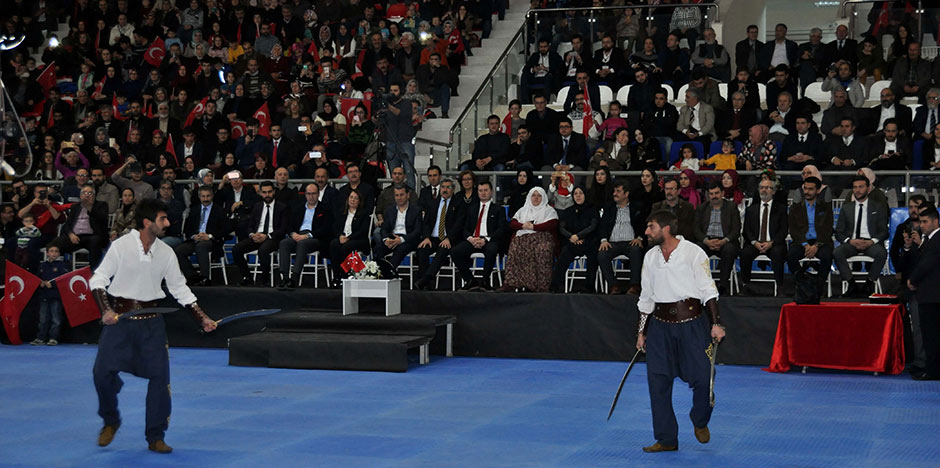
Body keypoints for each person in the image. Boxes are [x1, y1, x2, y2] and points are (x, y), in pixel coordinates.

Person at [91, 198, 217, 454]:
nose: (168, 223)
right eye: (163, 219)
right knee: (101, 374)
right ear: (147, 222)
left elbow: (178, 288)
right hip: (120, 322)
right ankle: (111, 420)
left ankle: (155, 436)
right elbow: (98, 279)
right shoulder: (121, 246)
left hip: (152, 324)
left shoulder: (166, 252)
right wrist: (106, 310)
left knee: (160, 380)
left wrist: (201, 317)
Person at [636, 210, 726, 453]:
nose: (646, 232)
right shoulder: (650, 257)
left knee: (704, 378)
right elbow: (646, 298)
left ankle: (700, 419)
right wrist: (641, 332)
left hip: (693, 325)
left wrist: (716, 323)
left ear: (666, 229)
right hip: (660, 327)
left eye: (650, 227)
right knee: (658, 382)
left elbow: (709, 290)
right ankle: (666, 438)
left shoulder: (693, 253)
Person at [832, 175, 890, 297]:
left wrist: (872, 241)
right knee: (837, 252)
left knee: (881, 253)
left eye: (861, 187)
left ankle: (869, 283)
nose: (857, 190)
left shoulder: (878, 207)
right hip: (852, 243)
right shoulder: (846, 208)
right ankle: (851, 283)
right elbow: (838, 232)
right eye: (855, 187)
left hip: (870, 243)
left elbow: (884, 231)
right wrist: (850, 241)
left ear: (868, 189)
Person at [500, 187, 558, 292]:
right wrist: (523, 225)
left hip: (542, 237)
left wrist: (534, 227)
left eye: (539, 196)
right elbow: (512, 223)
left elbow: (552, 223)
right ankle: (511, 283)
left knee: (543, 249)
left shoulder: (549, 210)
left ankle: (541, 286)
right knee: (515, 247)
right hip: (524, 236)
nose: (536, 198)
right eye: (533, 195)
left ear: (543, 197)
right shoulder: (523, 210)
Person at [452, 181, 507, 291]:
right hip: (473, 239)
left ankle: (485, 281)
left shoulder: (498, 209)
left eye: (485, 190)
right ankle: (470, 280)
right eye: (480, 190)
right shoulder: (472, 208)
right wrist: (470, 238)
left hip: (489, 240)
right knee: (455, 251)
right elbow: (465, 228)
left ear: (491, 192)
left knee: (492, 250)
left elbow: (502, 229)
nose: (483, 193)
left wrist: (485, 239)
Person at [906, 204, 940, 380]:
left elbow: (926, 265)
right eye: (921, 222)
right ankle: (933, 369)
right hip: (931, 293)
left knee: (931, 335)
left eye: (925, 222)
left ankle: (933, 371)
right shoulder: (931, 240)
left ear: (936, 221)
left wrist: (913, 280)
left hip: (932, 294)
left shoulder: (936, 240)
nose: (922, 225)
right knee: (932, 335)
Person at [232, 182, 289, 286]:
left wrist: (267, 236)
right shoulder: (257, 206)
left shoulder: (282, 207)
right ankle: (247, 277)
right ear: (260, 193)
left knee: (263, 250)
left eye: (269, 192)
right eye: (264, 192)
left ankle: (264, 280)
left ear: (274, 192)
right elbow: (250, 225)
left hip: (273, 238)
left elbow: (283, 229)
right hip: (257, 236)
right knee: (236, 249)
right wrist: (252, 234)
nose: (267, 195)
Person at [277, 183, 333, 289]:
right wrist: (293, 234)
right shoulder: (298, 207)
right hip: (298, 235)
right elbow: (289, 225)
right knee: (284, 243)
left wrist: (308, 235)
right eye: (309, 194)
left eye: (314, 194)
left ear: (318, 194)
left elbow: (326, 228)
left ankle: (294, 278)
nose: (311, 196)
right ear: (305, 195)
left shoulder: (325, 208)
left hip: (315, 237)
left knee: (303, 244)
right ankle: (285, 277)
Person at [740, 178, 788, 295]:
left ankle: (780, 285)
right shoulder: (751, 209)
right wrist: (754, 242)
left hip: (773, 243)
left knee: (778, 253)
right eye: (762, 188)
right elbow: (746, 230)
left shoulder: (781, 209)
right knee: (745, 253)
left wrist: (771, 243)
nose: (764, 190)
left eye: (768, 188)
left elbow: (783, 231)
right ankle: (745, 285)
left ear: (774, 191)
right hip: (755, 243)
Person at [415, 179, 464, 290]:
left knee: (443, 249)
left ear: (453, 189)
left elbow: (458, 225)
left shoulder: (458, 203)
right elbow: (426, 222)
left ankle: (426, 278)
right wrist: (426, 237)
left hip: (449, 238)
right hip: (433, 238)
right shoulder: (433, 203)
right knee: (422, 249)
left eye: (448, 187)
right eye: (443, 187)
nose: (445, 190)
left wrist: (449, 238)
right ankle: (425, 283)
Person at [597, 182, 645, 295]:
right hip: (612, 243)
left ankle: (634, 285)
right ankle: (613, 285)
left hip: (630, 242)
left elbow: (643, 224)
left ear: (626, 194)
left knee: (636, 250)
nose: (615, 194)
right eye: (614, 191)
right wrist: (603, 240)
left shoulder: (636, 207)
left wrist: (639, 238)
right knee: (602, 254)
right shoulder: (609, 208)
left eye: (618, 191)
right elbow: (602, 225)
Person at [786, 176, 834, 290]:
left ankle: (819, 285)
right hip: (801, 241)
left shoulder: (825, 207)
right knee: (790, 256)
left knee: (827, 256)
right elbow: (793, 230)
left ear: (817, 190)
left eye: (810, 189)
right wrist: (806, 245)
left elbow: (827, 229)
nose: (807, 192)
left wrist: (816, 246)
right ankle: (802, 283)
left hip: (821, 242)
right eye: (805, 189)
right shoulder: (795, 208)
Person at [693, 183, 741, 294]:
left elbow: (736, 230)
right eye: (711, 194)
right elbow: (696, 230)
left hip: (725, 240)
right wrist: (707, 241)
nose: (714, 196)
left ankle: (723, 284)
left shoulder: (731, 207)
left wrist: (723, 241)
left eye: (717, 193)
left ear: (722, 193)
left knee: (729, 249)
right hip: (707, 240)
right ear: (708, 195)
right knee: (697, 248)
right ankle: (701, 284)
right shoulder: (702, 208)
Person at [549, 186, 599, 293]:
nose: (578, 196)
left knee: (593, 255)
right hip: (572, 241)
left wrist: (579, 236)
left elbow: (593, 226)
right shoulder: (569, 211)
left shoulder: (592, 209)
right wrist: (571, 237)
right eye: (575, 193)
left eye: (580, 193)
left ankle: (589, 286)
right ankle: (556, 284)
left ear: (585, 194)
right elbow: (561, 228)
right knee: (565, 253)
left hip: (589, 241)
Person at [48, 183, 109, 268]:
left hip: (92, 236)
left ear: (94, 196)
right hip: (75, 236)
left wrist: (90, 207)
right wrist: (70, 234)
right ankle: (56, 268)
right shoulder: (75, 207)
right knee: (55, 243)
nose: (87, 195)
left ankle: (94, 270)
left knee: (96, 241)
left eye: (90, 193)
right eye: (84, 193)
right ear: (80, 196)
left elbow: (103, 221)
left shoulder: (101, 205)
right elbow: (67, 224)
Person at [175, 186, 227, 286]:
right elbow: (187, 228)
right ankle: (193, 276)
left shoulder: (219, 210)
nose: (205, 199)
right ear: (199, 197)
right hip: (195, 239)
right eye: (203, 196)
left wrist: (210, 236)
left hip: (211, 240)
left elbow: (225, 229)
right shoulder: (194, 210)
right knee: (179, 251)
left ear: (212, 196)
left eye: (208, 196)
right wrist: (194, 236)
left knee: (201, 246)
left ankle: (205, 278)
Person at [373, 186, 422, 269]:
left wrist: (401, 240)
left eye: (401, 195)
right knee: (378, 248)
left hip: (408, 239)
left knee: (400, 249)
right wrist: (386, 239)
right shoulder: (390, 210)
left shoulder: (416, 210)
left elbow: (417, 231)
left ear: (408, 195)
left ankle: (388, 271)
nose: (399, 198)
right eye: (396, 195)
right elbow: (384, 228)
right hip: (392, 237)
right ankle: (378, 271)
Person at [329, 190, 371, 285]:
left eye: (356, 198)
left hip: (358, 240)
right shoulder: (341, 212)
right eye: (351, 197)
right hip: (343, 238)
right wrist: (339, 236)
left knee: (346, 247)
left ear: (359, 201)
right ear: (347, 199)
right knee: (334, 244)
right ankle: (336, 275)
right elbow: (335, 227)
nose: (353, 200)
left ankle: (344, 275)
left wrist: (349, 238)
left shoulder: (364, 214)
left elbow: (363, 231)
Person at [31, 245, 68, 346]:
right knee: (43, 318)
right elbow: (37, 278)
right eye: (51, 251)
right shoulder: (42, 265)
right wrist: (40, 283)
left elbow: (65, 279)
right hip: (44, 295)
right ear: (47, 253)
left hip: (56, 296)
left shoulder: (62, 265)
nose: (54, 253)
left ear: (59, 254)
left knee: (56, 318)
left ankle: (53, 338)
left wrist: (53, 284)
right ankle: (40, 337)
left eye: (56, 251)